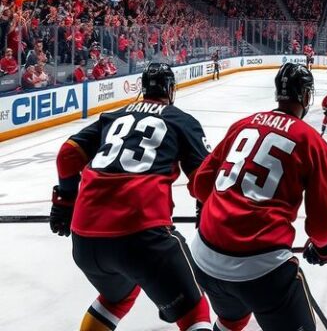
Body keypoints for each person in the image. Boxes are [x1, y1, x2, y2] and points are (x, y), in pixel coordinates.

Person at [48, 63, 213, 331]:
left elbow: (67, 154)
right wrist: (204, 215)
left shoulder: (112, 116)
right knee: (194, 312)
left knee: (116, 299)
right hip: (141, 235)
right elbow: (204, 180)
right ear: (170, 90)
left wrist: (65, 203)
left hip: (85, 240)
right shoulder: (180, 120)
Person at [190, 63, 327, 331]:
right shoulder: (312, 142)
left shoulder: (242, 124)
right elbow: (322, 226)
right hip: (262, 271)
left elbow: (200, 185)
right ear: (306, 97)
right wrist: (325, 248)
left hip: (204, 259)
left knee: (230, 321)